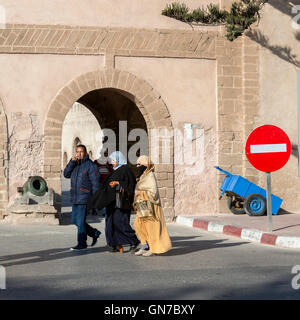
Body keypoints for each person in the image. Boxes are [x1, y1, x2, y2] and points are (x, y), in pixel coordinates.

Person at [87, 151, 140, 253]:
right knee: (110, 223)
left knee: (121, 223)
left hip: (121, 203)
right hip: (112, 202)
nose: (112, 162)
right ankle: (115, 244)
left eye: (114, 160)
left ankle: (133, 241)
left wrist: (118, 183)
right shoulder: (116, 170)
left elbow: (130, 184)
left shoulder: (125, 170)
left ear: (119, 160)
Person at [63, 144, 101, 251]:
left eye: (81, 152)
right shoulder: (75, 164)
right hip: (75, 197)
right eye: (77, 152)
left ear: (85, 153)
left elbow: (95, 184)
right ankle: (94, 233)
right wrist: (71, 162)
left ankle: (82, 244)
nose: (79, 154)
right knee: (75, 220)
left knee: (80, 222)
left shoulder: (91, 166)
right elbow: (66, 174)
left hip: (85, 197)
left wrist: (94, 200)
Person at [133, 155, 172, 257]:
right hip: (142, 205)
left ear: (145, 165)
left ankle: (153, 248)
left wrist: (140, 192)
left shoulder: (150, 176)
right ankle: (145, 245)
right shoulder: (143, 176)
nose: (137, 166)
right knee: (138, 225)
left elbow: (153, 193)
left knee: (152, 228)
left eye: (139, 164)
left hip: (151, 206)